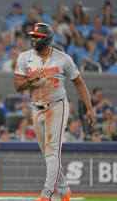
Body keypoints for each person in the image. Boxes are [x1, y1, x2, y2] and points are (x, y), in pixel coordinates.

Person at [14, 23, 96, 201]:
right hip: (36, 108)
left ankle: (47, 195)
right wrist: (31, 80)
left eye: (37, 36)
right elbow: (18, 86)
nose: (33, 39)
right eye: (32, 36)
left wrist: (89, 108)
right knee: (47, 154)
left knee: (52, 152)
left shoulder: (63, 59)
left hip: (57, 106)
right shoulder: (24, 57)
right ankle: (65, 190)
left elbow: (78, 82)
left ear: (46, 38)